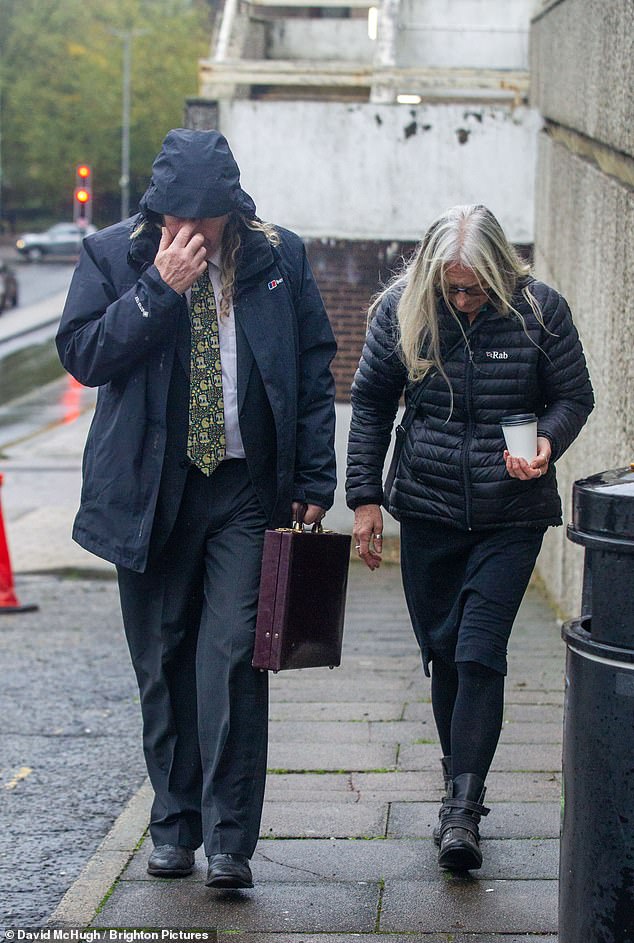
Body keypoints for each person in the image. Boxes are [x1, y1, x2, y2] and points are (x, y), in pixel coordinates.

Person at [57, 129, 337, 889]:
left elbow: (314, 362)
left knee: (237, 657)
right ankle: (174, 826)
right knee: (165, 661)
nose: (191, 234)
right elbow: (83, 353)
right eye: (176, 220)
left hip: (245, 489)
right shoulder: (115, 255)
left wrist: (316, 473)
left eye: (206, 222)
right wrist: (159, 289)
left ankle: (229, 841)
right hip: (152, 490)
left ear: (232, 212)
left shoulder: (277, 255)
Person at [346, 204, 593, 872]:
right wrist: (364, 498)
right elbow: (370, 402)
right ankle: (459, 783)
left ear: (499, 272)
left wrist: (546, 439)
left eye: (475, 287)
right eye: (452, 288)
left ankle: (462, 812)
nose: (462, 298)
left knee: (481, 651)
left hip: (510, 513)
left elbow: (574, 396)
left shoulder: (540, 312)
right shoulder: (404, 310)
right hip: (426, 511)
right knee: (446, 654)